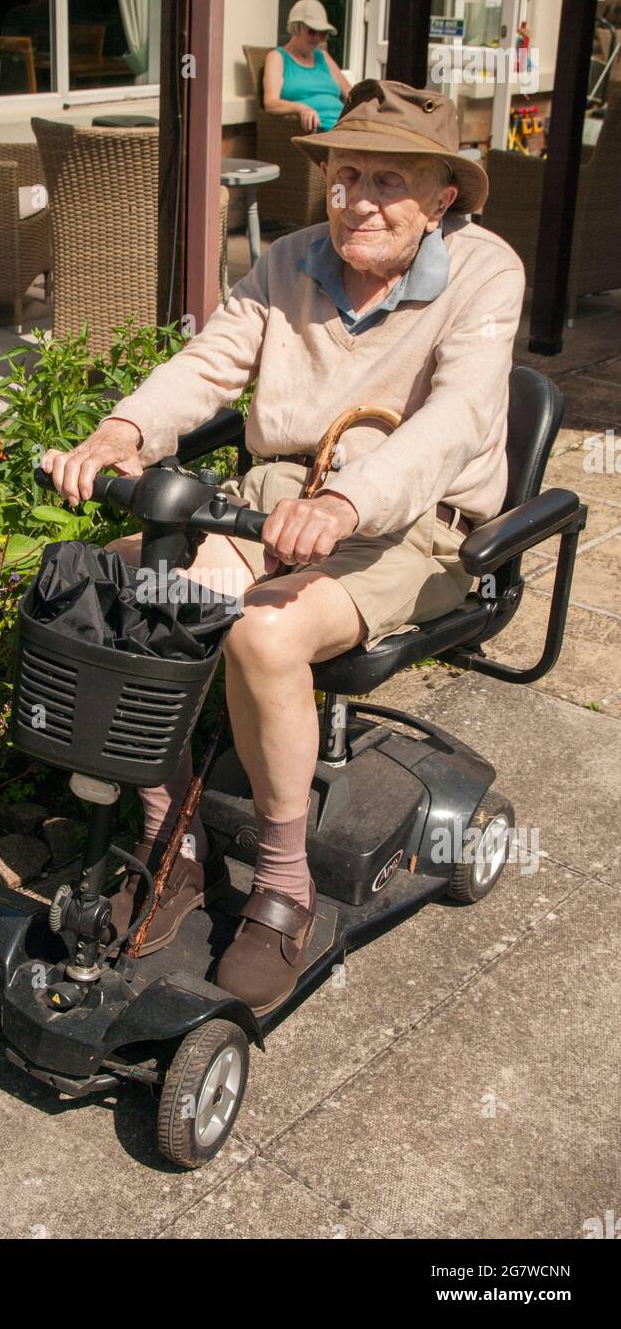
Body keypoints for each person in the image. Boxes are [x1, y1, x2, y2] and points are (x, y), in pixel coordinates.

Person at [40, 80, 525, 1017]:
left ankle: (281, 883)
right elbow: (210, 363)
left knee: (262, 637)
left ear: (442, 198)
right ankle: (167, 843)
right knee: (138, 595)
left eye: (390, 181)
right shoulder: (289, 260)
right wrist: (122, 431)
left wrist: (350, 499)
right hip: (273, 500)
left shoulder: (484, 273)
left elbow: (459, 416)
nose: (360, 201)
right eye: (346, 178)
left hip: (412, 523)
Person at [263, 0, 351, 133]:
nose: (317, 38)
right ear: (296, 28)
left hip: (345, 126)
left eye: (323, 34)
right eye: (312, 31)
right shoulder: (278, 57)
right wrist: (301, 108)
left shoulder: (322, 56)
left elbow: (350, 93)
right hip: (320, 130)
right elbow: (270, 103)